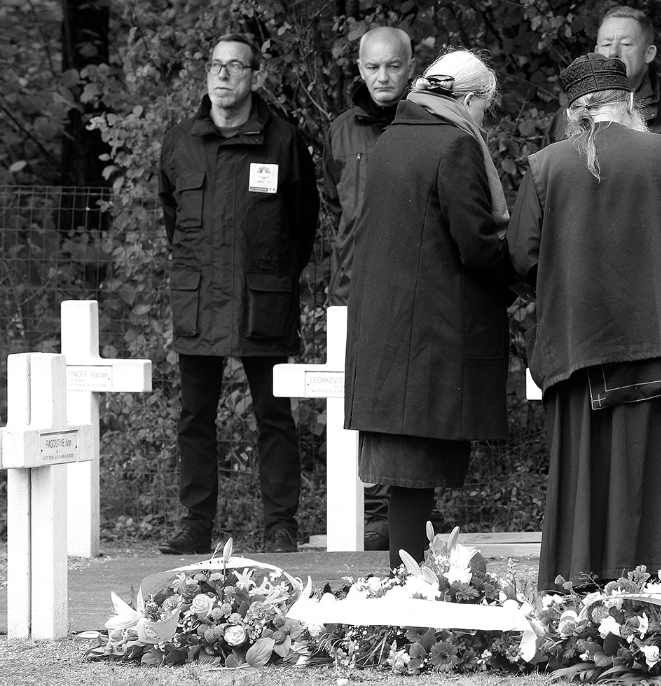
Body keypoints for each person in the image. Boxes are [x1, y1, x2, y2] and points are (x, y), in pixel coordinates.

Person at [510, 53, 661, 591]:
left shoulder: (545, 165)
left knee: (584, 473)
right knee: (658, 471)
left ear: (572, 113)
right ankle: (660, 590)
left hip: (577, 344)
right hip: (658, 340)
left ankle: (582, 588)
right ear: (630, 104)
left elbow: (522, 258)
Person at [344, 49, 519, 571]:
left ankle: (408, 581)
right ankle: (410, 591)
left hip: (387, 328)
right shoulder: (453, 145)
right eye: (483, 107)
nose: (481, 119)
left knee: (406, 476)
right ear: (466, 99)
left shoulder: (391, 139)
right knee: (415, 468)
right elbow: (477, 242)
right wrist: (523, 275)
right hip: (431, 333)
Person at [158, 33, 317, 554]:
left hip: (262, 300)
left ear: (255, 77)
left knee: (274, 417)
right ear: (207, 75)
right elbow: (173, 220)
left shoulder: (284, 142)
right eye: (215, 66)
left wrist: (269, 270)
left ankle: (280, 525)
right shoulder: (180, 142)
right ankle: (195, 525)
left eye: (235, 67)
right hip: (200, 301)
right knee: (194, 419)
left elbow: (302, 226)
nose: (223, 76)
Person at [322, 26, 413, 552]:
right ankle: (368, 509)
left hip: (412, 284)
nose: (383, 77)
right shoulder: (340, 131)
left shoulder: (428, 124)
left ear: (409, 67)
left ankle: (401, 509)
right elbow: (340, 208)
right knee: (362, 401)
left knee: (405, 401)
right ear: (359, 68)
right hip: (355, 284)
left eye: (393, 66)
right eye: (373, 66)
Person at [544, 5, 661, 148]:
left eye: (626, 44)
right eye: (606, 45)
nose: (613, 53)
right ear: (596, 50)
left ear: (649, 53)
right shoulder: (570, 115)